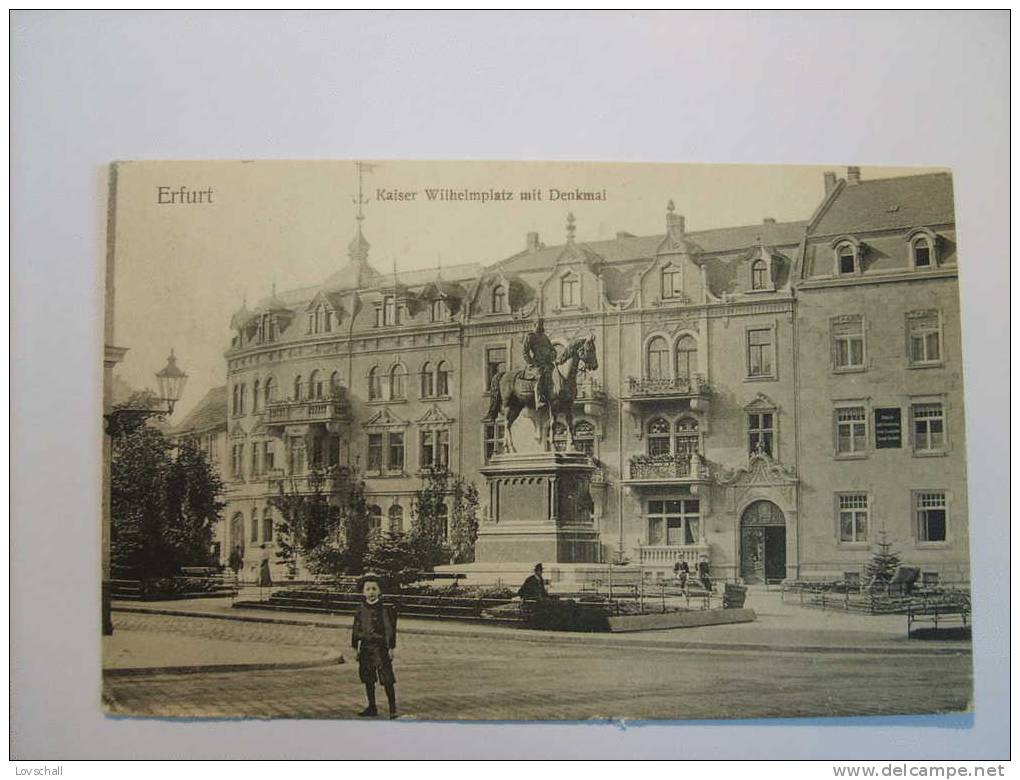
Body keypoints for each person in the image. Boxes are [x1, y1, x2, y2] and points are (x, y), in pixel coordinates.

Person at [351, 573, 398, 719]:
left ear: (379, 591)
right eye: (368, 589)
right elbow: (356, 628)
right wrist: (355, 647)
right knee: (368, 678)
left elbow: (389, 628)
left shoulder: (384, 609)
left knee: (387, 678)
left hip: (380, 648)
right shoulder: (360, 610)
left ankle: (392, 709)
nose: (371, 592)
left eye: (374, 589)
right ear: (363, 592)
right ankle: (372, 707)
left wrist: (391, 647)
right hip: (365, 648)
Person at [521, 317, 558, 408]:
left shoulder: (544, 337)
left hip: (547, 363)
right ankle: (539, 398)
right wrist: (531, 363)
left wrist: (553, 354)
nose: (540, 326)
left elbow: (552, 349)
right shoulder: (530, 336)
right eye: (538, 324)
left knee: (556, 373)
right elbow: (525, 352)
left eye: (541, 324)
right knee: (540, 376)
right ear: (534, 325)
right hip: (536, 364)